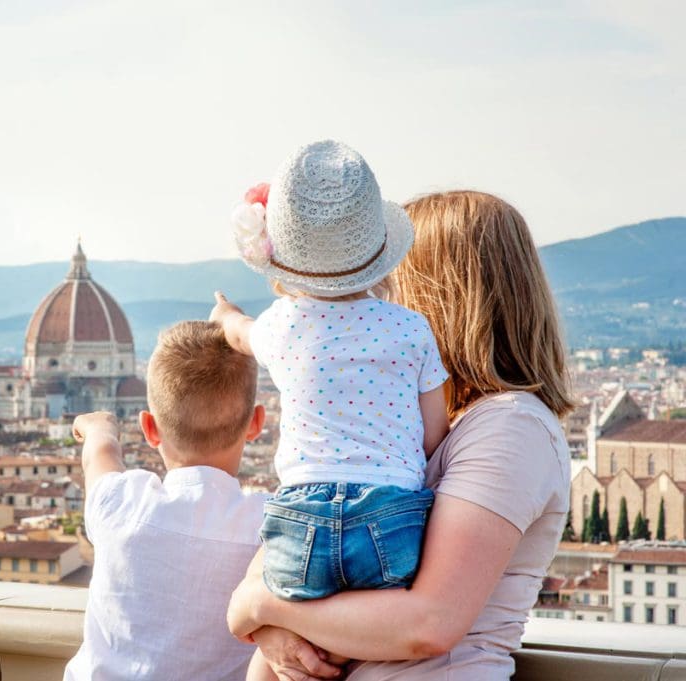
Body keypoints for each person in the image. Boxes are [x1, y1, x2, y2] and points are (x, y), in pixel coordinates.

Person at [226, 190, 575, 681]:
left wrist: (263, 608)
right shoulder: (406, 432)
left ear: (438, 292)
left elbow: (428, 623)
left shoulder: (511, 426)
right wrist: (268, 622)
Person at [211, 139, 450, 679]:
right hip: (391, 521)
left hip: (300, 525)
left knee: (276, 657)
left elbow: (237, 332)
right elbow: (434, 434)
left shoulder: (280, 324)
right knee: (354, 644)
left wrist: (223, 313)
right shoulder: (412, 329)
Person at [64, 320, 281, 681]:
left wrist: (99, 426)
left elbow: (100, 455)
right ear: (256, 423)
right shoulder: (272, 526)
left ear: (149, 428)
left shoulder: (121, 504)